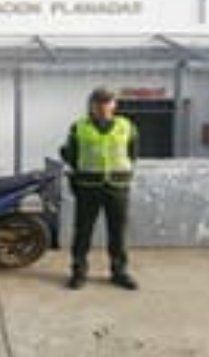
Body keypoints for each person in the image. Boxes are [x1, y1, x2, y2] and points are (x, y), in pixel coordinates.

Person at [60, 87, 139, 291]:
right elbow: (71, 154)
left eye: (107, 102)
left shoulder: (127, 126)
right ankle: (79, 271)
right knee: (83, 231)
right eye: (99, 102)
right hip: (88, 187)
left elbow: (133, 153)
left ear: (114, 105)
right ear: (92, 106)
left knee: (118, 232)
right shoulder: (78, 127)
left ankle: (119, 272)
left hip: (118, 186)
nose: (103, 106)